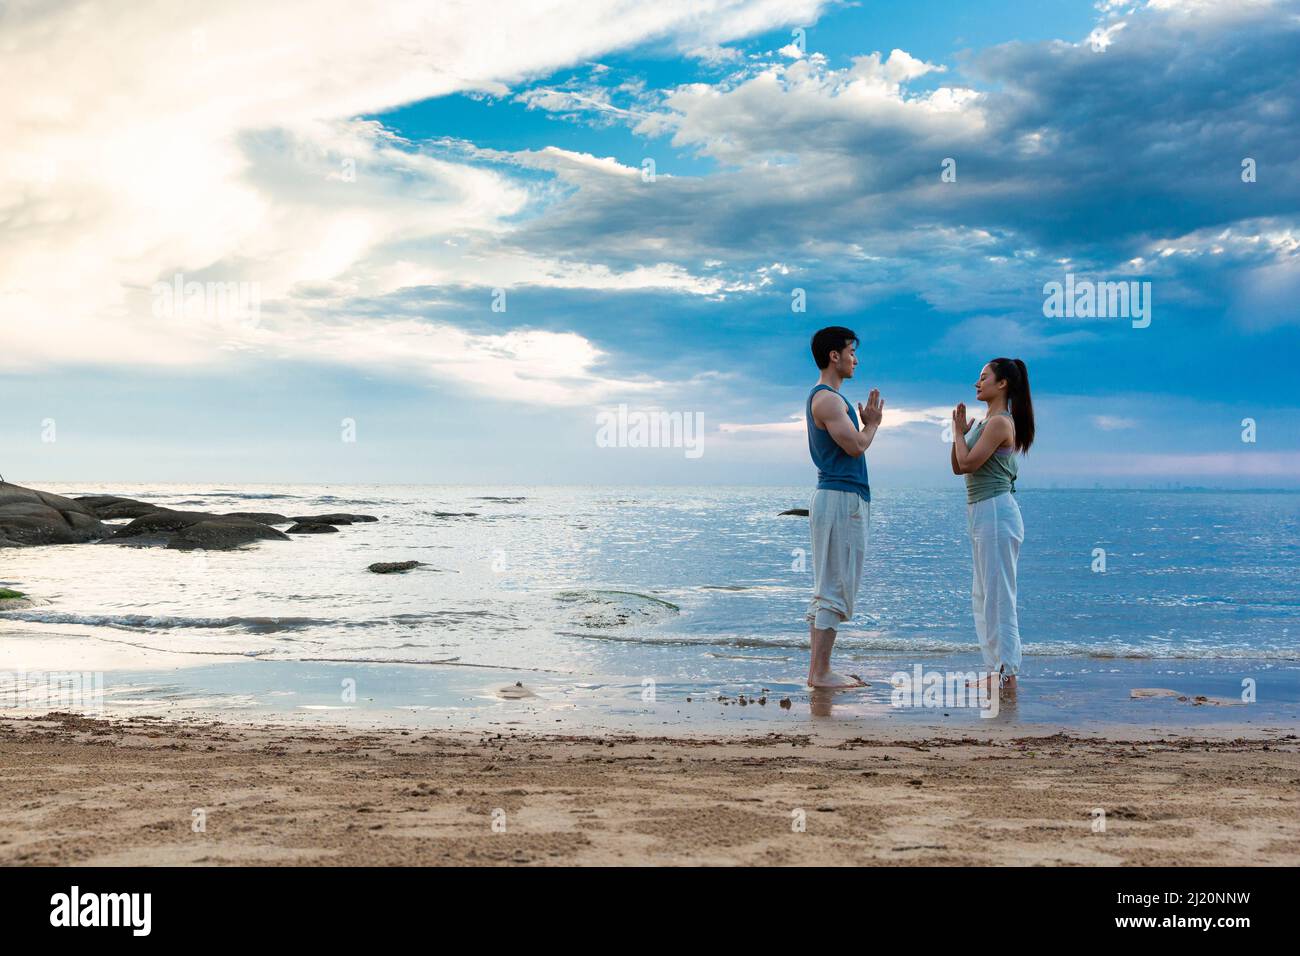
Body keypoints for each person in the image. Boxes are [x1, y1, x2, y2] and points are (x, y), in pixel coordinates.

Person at [804, 327, 883, 689]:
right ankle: (820, 673)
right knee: (834, 587)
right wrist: (873, 425)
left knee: (829, 585)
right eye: (851, 351)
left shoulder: (832, 399)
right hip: (839, 498)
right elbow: (855, 446)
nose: (856, 358)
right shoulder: (828, 400)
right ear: (833, 355)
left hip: (838, 497)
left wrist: (865, 425)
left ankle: (819, 671)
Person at [951, 358, 1035, 693]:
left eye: (983, 377)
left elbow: (969, 461)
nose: (976, 383)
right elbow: (959, 467)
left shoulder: (1000, 423)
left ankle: (1006, 673)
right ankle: (994, 667)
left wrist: (959, 434)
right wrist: (959, 433)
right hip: (981, 511)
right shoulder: (984, 422)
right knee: (983, 594)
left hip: (997, 512)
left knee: (998, 595)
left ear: (1002, 384)